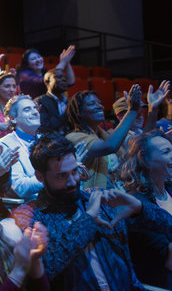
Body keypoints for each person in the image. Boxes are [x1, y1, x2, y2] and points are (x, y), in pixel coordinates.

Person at [13, 132, 172, 291]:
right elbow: (45, 271)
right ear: (40, 176)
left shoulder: (98, 198)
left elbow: (168, 227)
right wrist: (88, 219)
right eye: (61, 176)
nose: (72, 181)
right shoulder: (30, 216)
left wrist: (139, 208)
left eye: (74, 171)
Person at [120, 130, 172, 289]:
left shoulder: (169, 189)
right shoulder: (136, 204)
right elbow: (169, 262)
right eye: (166, 152)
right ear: (144, 159)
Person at [65, 86, 141, 188]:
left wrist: (153, 110)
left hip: (114, 192)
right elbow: (110, 147)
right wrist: (132, 111)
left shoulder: (105, 135)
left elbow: (131, 154)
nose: (99, 106)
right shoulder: (74, 137)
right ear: (78, 112)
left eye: (99, 103)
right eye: (92, 104)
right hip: (92, 198)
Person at [0, 95, 43, 200]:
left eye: (35, 108)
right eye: (27, 110)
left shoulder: (46, 139)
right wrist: (52, 178)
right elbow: (19, 187)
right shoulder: (5, 144)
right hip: (32, 207)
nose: (35, 112)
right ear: (12, 118)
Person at [34, 68, 69, 134]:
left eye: (65, 77)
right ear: (47, 81)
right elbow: (44, 127)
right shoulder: (40, 101)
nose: (64, 79)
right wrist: (66, 115)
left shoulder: (68, 102)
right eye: (59, 77)